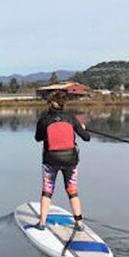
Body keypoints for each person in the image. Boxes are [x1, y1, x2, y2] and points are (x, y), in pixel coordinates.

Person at [34, 90, 90, 231]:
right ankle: (78, 223)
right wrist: (82, 128)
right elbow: (86, 137)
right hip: (70, 160)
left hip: (50, 159)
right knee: (72, 191)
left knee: (47, 190)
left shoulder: (44, 119)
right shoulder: (71, 118)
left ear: (50, 104)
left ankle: (42, 223)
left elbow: (38, 138)